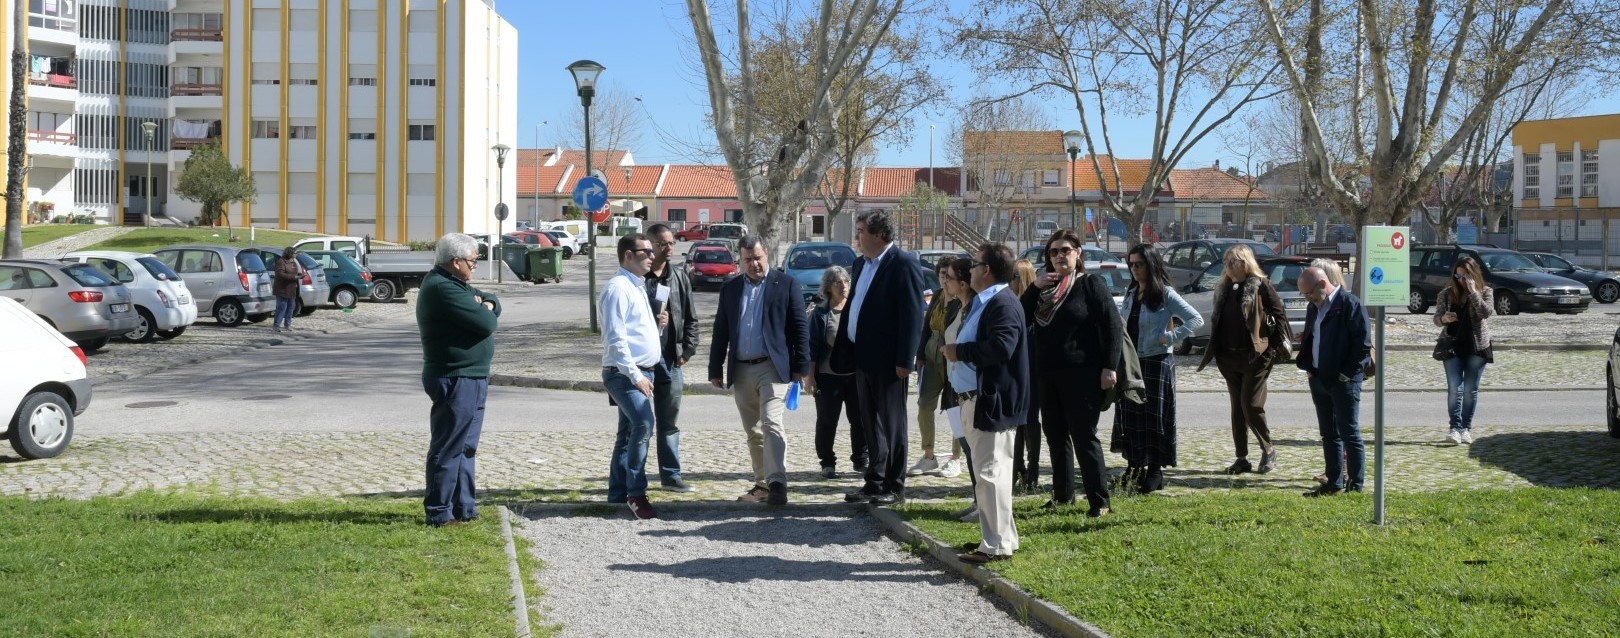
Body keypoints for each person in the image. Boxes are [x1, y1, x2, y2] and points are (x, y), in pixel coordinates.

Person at [1022, 229, 1119, 518]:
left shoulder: (1091, 284)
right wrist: (1034, 287)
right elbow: (1019, 318)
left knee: (1084, 436)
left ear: (1078, 254)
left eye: (1065, 250)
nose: (1060, 256)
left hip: (1083, 373)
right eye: (1053, 252)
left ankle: (1099, 501)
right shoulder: (1043, 291)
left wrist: (1109, 367)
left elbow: (1112, 325)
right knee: (1055, 436)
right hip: (1047, 373)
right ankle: (1063, 496)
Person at [944, 244, 1030, 564]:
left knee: (989, 474)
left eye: (976, 264)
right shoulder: (986, 301)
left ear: (988, 270)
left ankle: (995, 546)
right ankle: (1002, 538)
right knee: (991, 474)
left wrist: (959, 353)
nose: (971, 270)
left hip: (991, 400)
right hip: (976, 399)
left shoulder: (1002, 302)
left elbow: (1001, 347)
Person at [834, 210, 926, 505]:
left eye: (861, 231)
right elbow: (855, 306)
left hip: (890, 361)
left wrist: (905, 359)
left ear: (879, 235)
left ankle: (894, 485)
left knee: (892, 423)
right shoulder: (861, 264)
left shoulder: (903, 263)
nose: (856, 237)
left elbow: (912, 314)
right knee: (869, 423)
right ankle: (874, 480)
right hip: (862, 356)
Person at [710, 235, 810, 506]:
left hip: (772, 366)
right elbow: (721, 330)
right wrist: (715, 367)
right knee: (753, 430)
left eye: (758, 257)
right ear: (740, 261)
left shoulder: (786, 284)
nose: (754, 263)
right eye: (748, 259)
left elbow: (800, 328)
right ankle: (762, 483)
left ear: (766, 255)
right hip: (741, 368)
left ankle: (777, 482)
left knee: (771, 422)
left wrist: (801, 367)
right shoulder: (730, 288)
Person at [416, 233, 501, 527]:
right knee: (449, 446)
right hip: (455, 377)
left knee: (467, 446)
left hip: (472, 375)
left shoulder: (455, 283)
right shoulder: (442, 287)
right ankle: (439, 512)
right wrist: (484, 309)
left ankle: (463, 507)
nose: (475, 266)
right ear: (455, 262)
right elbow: (487, 322)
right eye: (473, 261)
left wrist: (485, 303)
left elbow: (492, 302)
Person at [1115, 244, 1203, 493]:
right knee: (1131, 415)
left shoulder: (1165, 294)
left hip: (1156, 362)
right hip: (1133, 362)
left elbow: (1196, 319)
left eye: (1139, 264)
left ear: (1151, 265)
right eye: (1131, 264)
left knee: (1155, 417)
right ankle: (1134, 466)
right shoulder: (1132, 293)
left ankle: (1155, 470)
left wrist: (1171, 337)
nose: (1134, 269)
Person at [1196, 244, 1289, 475]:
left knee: (1250, 405)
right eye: (1225, 262)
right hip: (1229, 357)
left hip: (1256, 356)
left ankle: (1268, 450)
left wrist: (1273, 348)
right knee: (1237, 409)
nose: (1227, 266)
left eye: (1232, 261)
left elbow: (1279, 316)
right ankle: (1241, 458)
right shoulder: (1224, 288)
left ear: (1245, 263)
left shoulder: (1261, 285)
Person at [600, 233, 663, 520]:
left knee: (627, 434)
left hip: (640, 371)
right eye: (646, 251)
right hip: (624, 373)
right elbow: (615, 339)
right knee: (644, 424)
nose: (652, 255)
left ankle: (617, 492)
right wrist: (636, 375)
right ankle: (636, 492)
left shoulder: (637, 285)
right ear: (628, 255)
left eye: (652, 251)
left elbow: (636, 331)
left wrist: (659, 328)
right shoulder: (617, 288)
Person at [1296, 265, 1372, 497]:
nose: (1307, 298)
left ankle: (1355, 486)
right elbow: (1313, 337)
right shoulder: (1314, 307)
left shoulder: (1350, 304)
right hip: (1318, 377)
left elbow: (1363, 345)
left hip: (1343, 380)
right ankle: (1333, 482)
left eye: (1308, 293)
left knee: (1349, 432)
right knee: (1329, 433)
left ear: (1322, 284)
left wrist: (1346, 374)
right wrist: (1309, 366)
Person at [643, 224, 700, 492]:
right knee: (639, 425)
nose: (669, 247)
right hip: (642, 363)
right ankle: (634, 478)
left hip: (670, 361)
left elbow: (691, 318)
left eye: (671, 242)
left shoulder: (678, 277)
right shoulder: (639, 277)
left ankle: (670, 475)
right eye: (663, 243)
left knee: (669, 423)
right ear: (650, 245)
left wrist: (686, 352)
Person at [807, 266, 867, 478]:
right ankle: (827, 462)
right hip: (828, 376)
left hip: (855, 375)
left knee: (859, 419)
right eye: (838, 283)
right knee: (827, 421)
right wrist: (810, 377)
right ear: (828, 287)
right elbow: (812, 347)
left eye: (846, 282)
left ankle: (861, 460)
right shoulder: (820, 313)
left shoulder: (856, 309)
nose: (843, 287)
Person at [911, 260, 964, 479]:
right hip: (932, 358)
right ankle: (929, 455)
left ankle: (956, 458)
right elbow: (926, 328)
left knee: (955, 410)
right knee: (924, 404)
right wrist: (920, 356)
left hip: (952, 359)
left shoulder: (961, 300)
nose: (944, 278)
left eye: (948, 275)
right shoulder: (936, 296)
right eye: (942, 274)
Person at [1435, 256, 1493, 445]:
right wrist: (1444, 319)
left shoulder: (1485, 291)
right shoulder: (1446, 293)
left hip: (1477, 346)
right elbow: (1436, 319)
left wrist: (1473, 292)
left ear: (1473, 275)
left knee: (1470, 390)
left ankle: (1466, 428)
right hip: (1452, 345)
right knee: (1455, 388)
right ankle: (1454, 428)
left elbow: (1485, 313)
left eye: (1465, 277)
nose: (1461, 280)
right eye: (1457, 276)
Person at [1009, 259, 1042, 494]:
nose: (1009, 282)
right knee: (1016, 422)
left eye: (1013, 277)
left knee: (1030, 421)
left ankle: (1033, 470)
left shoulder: (1033, 305)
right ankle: (1016, 467)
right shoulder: (1011, 303)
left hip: (1033, 370)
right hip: (1015, 372)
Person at [272, 247, 302, 333]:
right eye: (295, 253)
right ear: (290, 253)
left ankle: (287, 324)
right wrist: (294, 277)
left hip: (291, 289)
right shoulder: (281, 262)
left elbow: (294, 273)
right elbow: (280, 274)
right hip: (282, 289)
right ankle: (276, 326)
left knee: (291, 307)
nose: (296, 255)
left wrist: (299, 275)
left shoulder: (293, 262)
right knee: (282, 307)